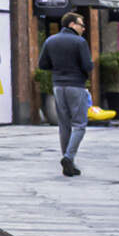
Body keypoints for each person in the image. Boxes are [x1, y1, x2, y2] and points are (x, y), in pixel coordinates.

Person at [36, 12, 94, 178]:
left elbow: (42, 64)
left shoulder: (50, 40)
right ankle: (68, 157)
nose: (83, 28)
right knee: (79, 124)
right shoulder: (80, 42)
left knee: (64, 125)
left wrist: (58, 69)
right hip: (76, 85)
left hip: (58, 86)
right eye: (81, 25)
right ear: (72, 24)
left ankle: (69, 163)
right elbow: (87, 66)